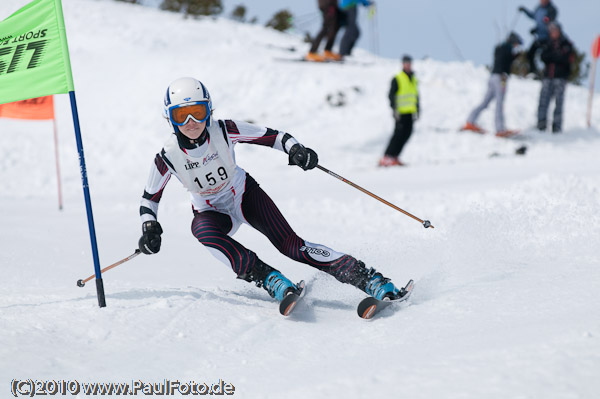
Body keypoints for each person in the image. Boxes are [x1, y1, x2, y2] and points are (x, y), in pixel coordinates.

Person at [138, 77, 407, 308]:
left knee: (291, 246)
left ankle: (371, 280)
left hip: (244, 196)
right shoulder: (168, 156)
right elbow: (150, 198)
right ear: (169, 118)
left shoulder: (224, 129)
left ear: (208, 110)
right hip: (212, 212)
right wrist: (150, 227)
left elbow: (275, 136)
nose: (191, 121)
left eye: (197, 111)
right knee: (201, 229)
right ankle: (271, 280)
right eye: (180, 115)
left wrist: (296, 150)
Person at [461, 32, 523, 138]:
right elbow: (507, 62)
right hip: (501, 78)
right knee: (499, 103)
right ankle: (500, 129)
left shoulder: (499, 48)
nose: (517, 46)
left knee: (485, 102)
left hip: (492, 77)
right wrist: (515, 56)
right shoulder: (507, 49)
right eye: (516, 44)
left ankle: (470, 121)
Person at [379, 55, 419, 167]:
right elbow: (391, 95)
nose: (408, 65)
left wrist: (418, 109)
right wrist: (394, 109)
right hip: (400, 113)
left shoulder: (413, 78)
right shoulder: (397, 78)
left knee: (407, 134)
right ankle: (387, 156)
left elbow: (415, 95)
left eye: (409, 63)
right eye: (406, 63)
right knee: (398, 135)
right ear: (403, 64)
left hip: (410, 112)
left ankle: (395, 156)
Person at [537, 23, 574, 133]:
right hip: (548, 76)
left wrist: (554, 57)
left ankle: (557, 126)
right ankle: (541, 124)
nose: (553, 33)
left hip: (560, 77)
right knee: (544, 100)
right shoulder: (547, 43)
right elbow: (543, 56)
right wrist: (555, 56)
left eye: (555, 30)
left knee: (559, 102)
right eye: (551, 31)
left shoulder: (566, 43)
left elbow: (566, 58)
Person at [518, 0, 558, 76]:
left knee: (545, 56)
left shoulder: (551, 9)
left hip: (548, 38)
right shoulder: (539, 8)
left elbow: (550, 21)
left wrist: (547, 21)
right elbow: (533, 16)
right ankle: (533, 72)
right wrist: (524, 10)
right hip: (539, 37)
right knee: (530, 54)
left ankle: (548, 73)